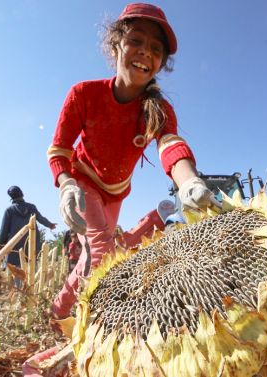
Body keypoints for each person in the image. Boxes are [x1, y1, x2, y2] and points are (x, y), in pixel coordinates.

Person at [46, 3, 219, 321]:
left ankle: (59, 312)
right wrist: (66, 185)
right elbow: (59, 150)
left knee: (101, 253)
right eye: (136, 41)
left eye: (156, 49)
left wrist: (190, 183)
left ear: (162, 63)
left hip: (116, 194)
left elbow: (170, 146)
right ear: (116, 45)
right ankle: (91, 324)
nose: (145, 53)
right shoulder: (83, 94)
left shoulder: (158, 109)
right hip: (84, 183)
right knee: (100, 254)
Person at [0, 185, 57, 270]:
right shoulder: (31, 207)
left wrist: (1, 244)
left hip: (14, 244)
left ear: (11, 197)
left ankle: (17, 282)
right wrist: (50, 225)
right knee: (31, 265)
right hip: (31, 242)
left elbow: (4, 230)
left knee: (14, 268)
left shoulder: (9, 210)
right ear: (22, 194)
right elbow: (40, 218)